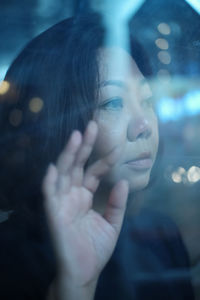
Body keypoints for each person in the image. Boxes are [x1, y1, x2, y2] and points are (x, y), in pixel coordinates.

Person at [0, 5, 194, 300]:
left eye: (147, 98)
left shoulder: (158, 236)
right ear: (56, 124)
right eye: (113, 103)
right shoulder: (8, 261)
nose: (144, 125)